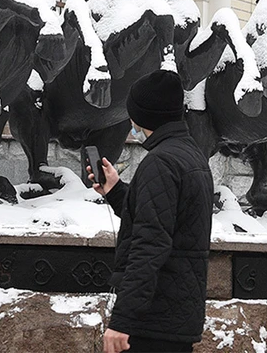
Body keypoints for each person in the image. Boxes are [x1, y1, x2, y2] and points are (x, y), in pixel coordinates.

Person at [88, 69, 213, 353]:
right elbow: (163, 219)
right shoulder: (189, 154)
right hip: (174, 320)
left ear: (143, 116)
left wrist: (122, 321)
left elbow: (150, 245)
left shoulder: (160, 163)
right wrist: (116, 191)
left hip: (152, 324)